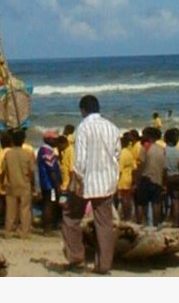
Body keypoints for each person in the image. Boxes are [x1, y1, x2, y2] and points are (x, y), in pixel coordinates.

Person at [61, 95, 121, 275]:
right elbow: (116, 155)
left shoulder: (83, 127)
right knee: (104, 224)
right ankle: (103, 265)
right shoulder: (112, 127)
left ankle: (76, 257)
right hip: (106, 181)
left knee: (70, 217)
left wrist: (77, 179)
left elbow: (80, 159)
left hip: (86, 181)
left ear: (83, 110)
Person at [1, 129, 35, 238]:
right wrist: (33, 184)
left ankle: (8, 231)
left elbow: (3, 170)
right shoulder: (27, 154)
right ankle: (24, 232)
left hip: (11, 183)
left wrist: (1, 183)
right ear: (23, 140)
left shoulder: (8, 154)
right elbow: (31, 171)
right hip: (24, 183)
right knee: (25, 209)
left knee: (10, 209)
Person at [135, 127, 165, 227]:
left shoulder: (145, 147)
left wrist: (137, 180)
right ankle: (155, 225)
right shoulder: (162, 149)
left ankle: (142, 223)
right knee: (156, 203)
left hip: (146, 178)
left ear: (149, 137)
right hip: (158, 179)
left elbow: (141, 165)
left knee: (141, 203)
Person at [37, 130, 62, 235]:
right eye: (54, 139)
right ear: (48, 139)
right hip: (50, 184)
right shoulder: (47, 151)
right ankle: (47, 229)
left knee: (49, 204)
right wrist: (57, 186)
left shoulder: (44, 150)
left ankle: (48, 227)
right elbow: (51, 170)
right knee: (50, 204)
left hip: (47, 183)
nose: (56, 141)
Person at [117, 132, 135, 221]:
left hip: (123, 179)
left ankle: (126, 216)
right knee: (128, 198)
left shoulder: (123, 153)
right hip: (129, 177)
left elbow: (119, 169)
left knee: (124, 198)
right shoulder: (129, 152)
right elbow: (134, 167)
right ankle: (129, 215)